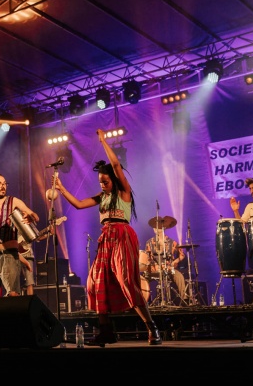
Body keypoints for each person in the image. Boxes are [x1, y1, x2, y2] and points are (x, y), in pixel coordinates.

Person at [53, 129, 162, 346]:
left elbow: (116, 165)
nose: (102, 184)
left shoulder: (123, 192)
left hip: (122, 235)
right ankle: (106, 332)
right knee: (95, 282)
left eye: (105, 181)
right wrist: (61, 188)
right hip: (106, 239)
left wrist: (103, 141)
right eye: (100, 182)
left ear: (113, 179)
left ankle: (152, 328)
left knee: (127, 281)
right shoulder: (102, 196)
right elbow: (79, 204)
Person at [144, 227, 187, 305]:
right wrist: (153, 265)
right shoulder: (149, 242)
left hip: (169, 269)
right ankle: (143, 301)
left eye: (158, 227)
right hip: (155, 270)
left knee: (180, 277)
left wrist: (175, 262)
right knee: (143, 279)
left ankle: (184, 300)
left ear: (163, 228)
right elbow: (147, 258)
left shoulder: (172, 242)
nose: (156, 229)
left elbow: (182, 255)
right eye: (154, 227)